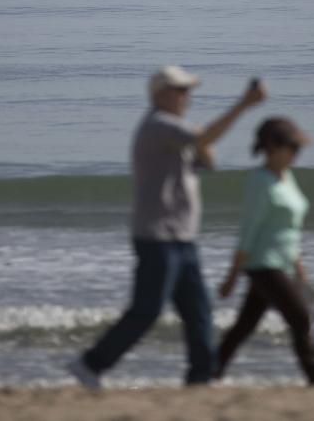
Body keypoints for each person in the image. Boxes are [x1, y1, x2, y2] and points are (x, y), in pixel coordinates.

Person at [68, 66, 266, 389]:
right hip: (157, 237)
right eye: (181, 90)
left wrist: (203, 139)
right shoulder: (158, 125)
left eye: (189, 91)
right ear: (160, 95)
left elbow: (209, 160)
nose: (188, 97)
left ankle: (201, 378)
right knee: (146, 311)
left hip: (183, 238)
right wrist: (243, 105)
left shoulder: (176, 130)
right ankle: (90, 364)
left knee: (199, 313)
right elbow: (202, 140)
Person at [215, 117, 314, 383]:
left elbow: (290, 227)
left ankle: (210, 371)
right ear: (272, 147)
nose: (297, 154)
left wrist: (299, 267)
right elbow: (248, 231)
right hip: (263, 264)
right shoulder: (260, 181)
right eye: (293, 148)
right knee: (300, 317)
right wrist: (232, 276)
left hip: (283, 264)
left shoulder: (287, 177)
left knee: (244, 326)